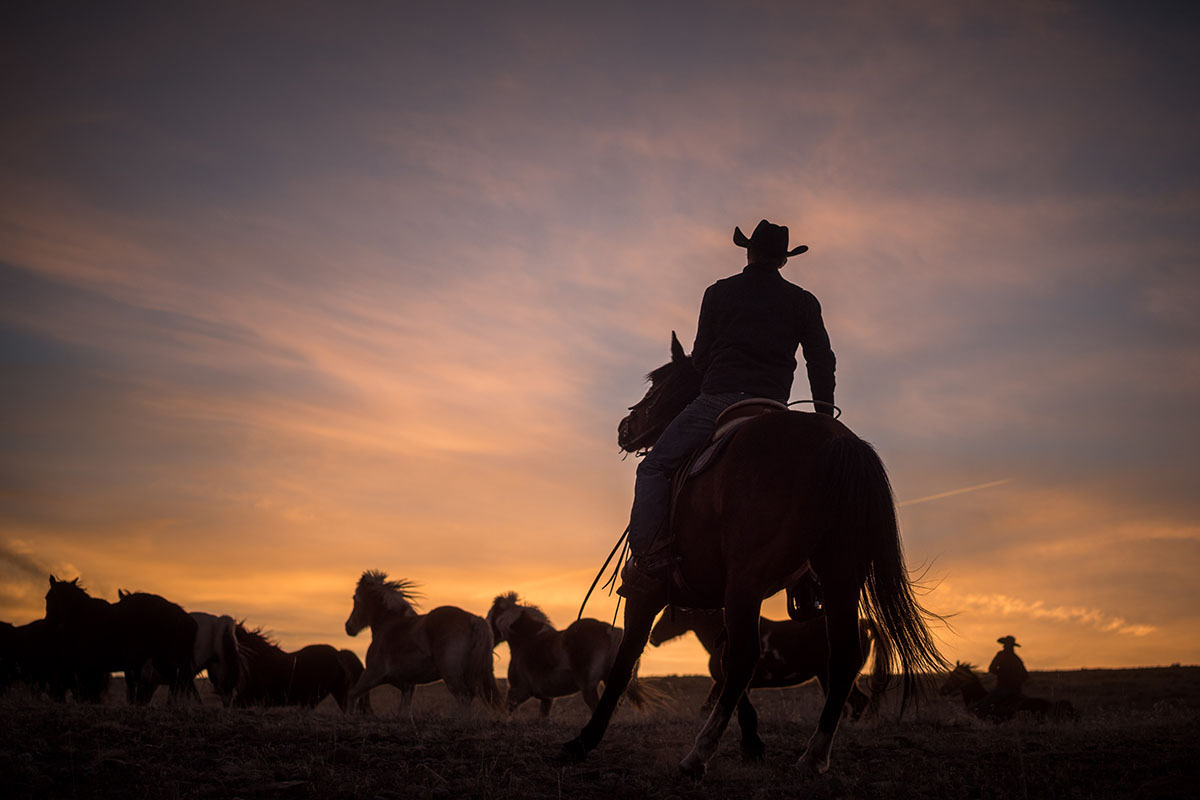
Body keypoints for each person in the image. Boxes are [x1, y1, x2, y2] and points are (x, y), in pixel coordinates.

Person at [618, 219, 836, 599]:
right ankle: (807, 576)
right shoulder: (803, 301)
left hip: (718, 401)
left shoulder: (718, 293)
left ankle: (650, 559)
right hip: (774, 407)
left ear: (748, 252)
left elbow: (700, 357)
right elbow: (821, 360)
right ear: (783, 261)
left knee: (652, 467)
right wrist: (821, 416)